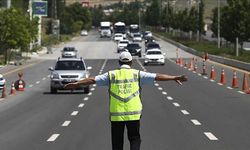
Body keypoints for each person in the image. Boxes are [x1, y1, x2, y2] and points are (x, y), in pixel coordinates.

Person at [64, 51, 187, 150]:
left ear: (119, 62)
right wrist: (173, 77)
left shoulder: (111, 75)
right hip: (134, 114)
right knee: (134, 139)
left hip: (117, 115)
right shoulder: (138, 74)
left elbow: (92, 79)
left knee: (117, 143)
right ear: (131, 62)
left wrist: (76, 83)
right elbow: (157, 76)